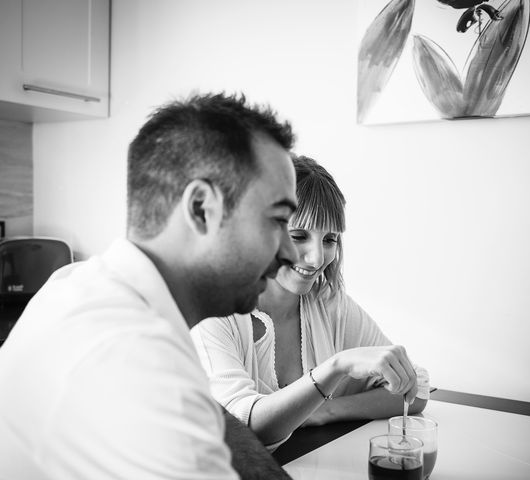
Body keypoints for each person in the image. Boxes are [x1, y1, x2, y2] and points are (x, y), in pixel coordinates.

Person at [0, 92, 308, 479]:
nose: (291, 254)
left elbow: (217, 422)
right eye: (278, 220)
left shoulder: (81, 285)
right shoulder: (134, 359)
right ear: (200, 209)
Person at [191, 155, 429, 449]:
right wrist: (336, 367)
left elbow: (415, 391)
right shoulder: (212, 311)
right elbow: (246, 427)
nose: (317, 258)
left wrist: (325, 410)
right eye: (299, 236)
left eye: (329, 239)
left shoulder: (326, 301)